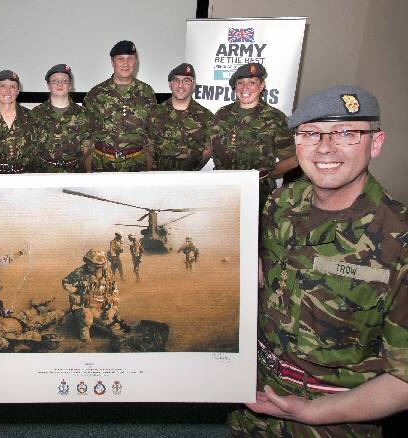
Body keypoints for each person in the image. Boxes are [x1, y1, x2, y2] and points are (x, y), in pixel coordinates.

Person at [230, 85, 408, 436]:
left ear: (376, 143)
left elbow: (404, 379)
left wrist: (313, 412)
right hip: (255, 401)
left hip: (335, 419)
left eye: (346, 132)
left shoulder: (398, 243)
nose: (325, 147)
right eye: (310, 133)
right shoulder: (279, 205)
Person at [210, 63, 298, 209]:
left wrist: (265, 176)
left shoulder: (275, 118)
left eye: (252, 82)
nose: (245, 88)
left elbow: (292, 160)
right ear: (235, 87)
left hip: (258, 193)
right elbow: (211, 148)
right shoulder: (222, 114)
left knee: (255, 231)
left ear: (262, 85)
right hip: (223, 189)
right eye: (240, 83)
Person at [83, 40, 156, 171]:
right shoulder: (95, 94)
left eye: (130, 58)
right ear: (112, 62)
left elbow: (152, 133)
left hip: (137, 165)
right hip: (102, 164)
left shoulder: (147, 92)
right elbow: (86, 135)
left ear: (136, 61)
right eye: (120, 59)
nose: (126, 63)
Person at [147, 63, 214, 170]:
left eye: (186, 80)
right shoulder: (155, 114)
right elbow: (148, 148)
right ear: (170, 84)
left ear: (194, 85)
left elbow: (208, 151)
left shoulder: (206, 117)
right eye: (176, 80)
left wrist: (191, 170)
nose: (180, 85)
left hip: (189, 181)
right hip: (158, 179)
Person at [0, 70, 38, 173]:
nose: (8, 91)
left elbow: (37, 152)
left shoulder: (31, 117)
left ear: (18, 91)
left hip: (24, 177)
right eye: (3, 86)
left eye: (13, 87)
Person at [32, 64, 92, 172]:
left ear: (70, 85)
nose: (60, 84)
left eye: (64, 81)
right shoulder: (36, 113)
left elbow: (88, 145)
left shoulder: (84, 113)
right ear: (48, 85)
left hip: (75, 172)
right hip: (43, 173)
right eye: (55, 81)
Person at [62, 249, 122, 342]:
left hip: (100, 307)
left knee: (113, 324)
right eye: (90, 263)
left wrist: (112, 309)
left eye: (97, 265)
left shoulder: (108, 273)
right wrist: (77, 291)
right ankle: (84, 332)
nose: (89, 266)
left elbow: (114, 291)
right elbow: (65, 282)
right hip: (85, 307)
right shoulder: (80, 272)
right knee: (87, 319)